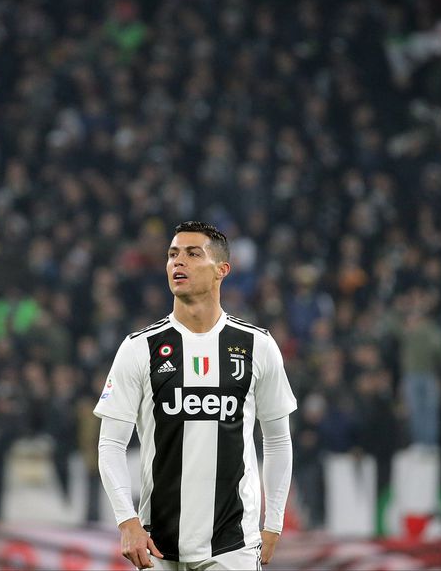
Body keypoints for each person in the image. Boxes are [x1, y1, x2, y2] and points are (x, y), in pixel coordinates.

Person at [95, 221, 297, 570]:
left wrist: (274, 523)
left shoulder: (257, 346)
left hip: (233, 542)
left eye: (192, 254)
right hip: (157, 543)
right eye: (173, 255)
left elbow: (278, 440)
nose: (178, 262)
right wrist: (127, 521)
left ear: (222, 270)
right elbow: (110, 444)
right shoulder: (139, 348)